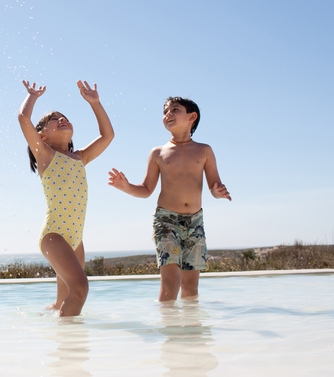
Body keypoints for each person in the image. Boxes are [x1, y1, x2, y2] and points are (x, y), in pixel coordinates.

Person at [108, 97, 231, 302]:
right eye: (165, 111)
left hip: (195, 222)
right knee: (171, 280)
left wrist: (217, 192)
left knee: (191, 285)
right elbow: (147, 189)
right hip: (166, 221)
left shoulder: (204, 150)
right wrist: (126, 187)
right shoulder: (158, 153)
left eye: (175, 109)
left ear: (192, 117)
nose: (168, 114)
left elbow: (213, 184)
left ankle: (191, 331)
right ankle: (170, 330)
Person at [18, 80, 114, 316]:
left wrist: (95, 104)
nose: (61, 119)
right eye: (54, 119)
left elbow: (107, 135)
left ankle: (44, 325)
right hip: (54, 235)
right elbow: (23, 119)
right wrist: (32, 96)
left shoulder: (80, 158)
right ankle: (71, 349)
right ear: (43, 136)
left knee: (63, 300)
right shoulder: (45, 154)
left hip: (75, 239)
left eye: (64, 117)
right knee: (80, 289)